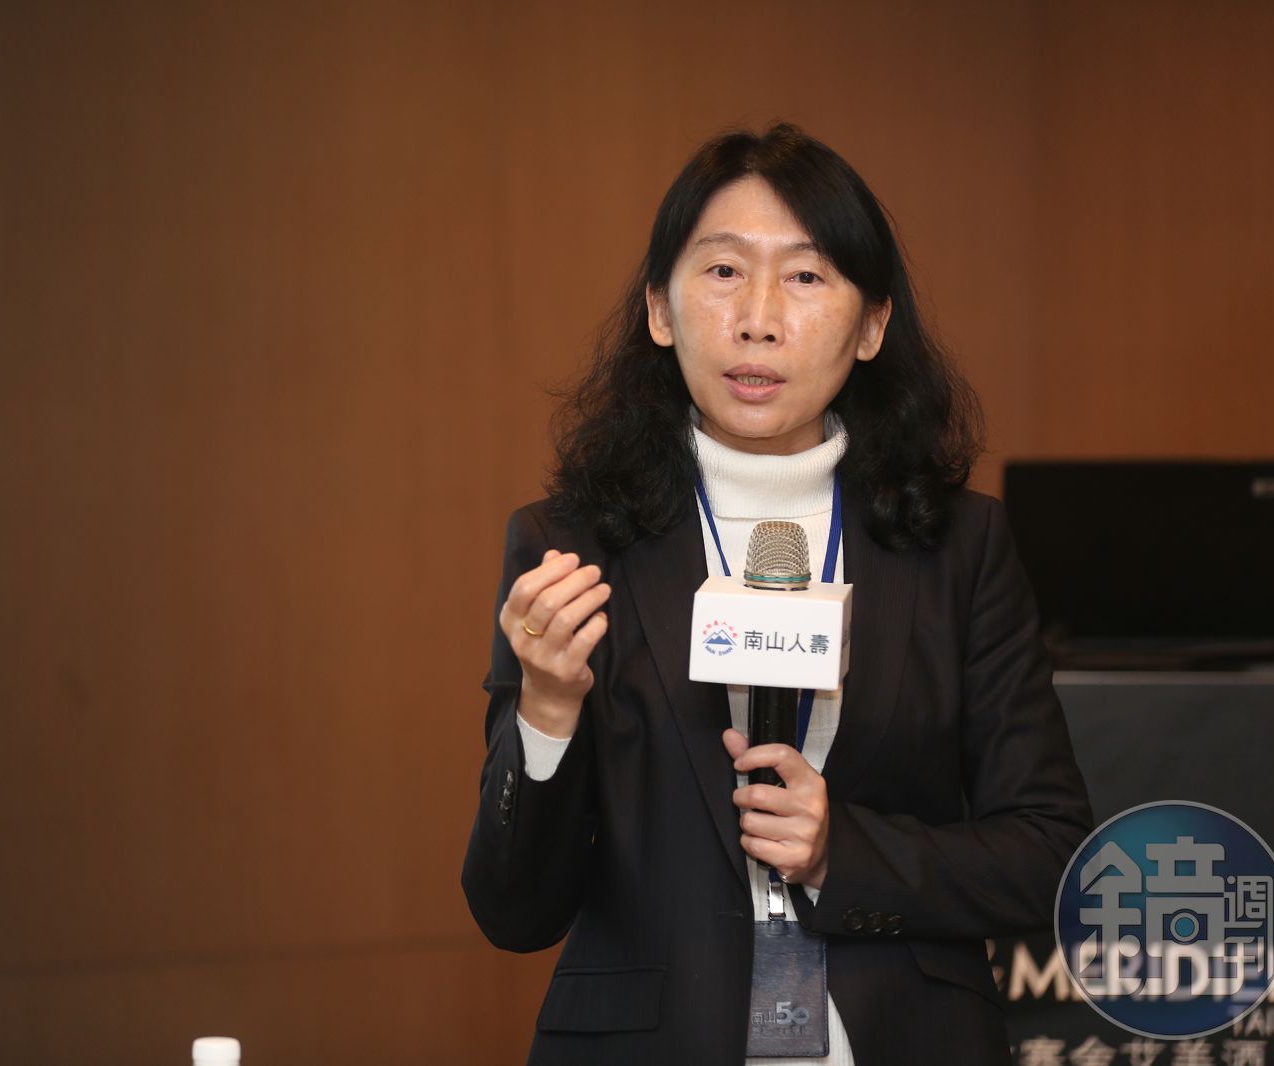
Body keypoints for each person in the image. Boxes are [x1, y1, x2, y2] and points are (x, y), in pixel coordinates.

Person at [461, 122, 1092, 1065]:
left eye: (805, 276)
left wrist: (845, 852)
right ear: (660, 309)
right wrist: (547, 711)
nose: (758, 318)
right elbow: (513, 912)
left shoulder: (959, 547)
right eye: (723, 271)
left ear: (871, 326)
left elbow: (1050, 857)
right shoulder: (570, 550)